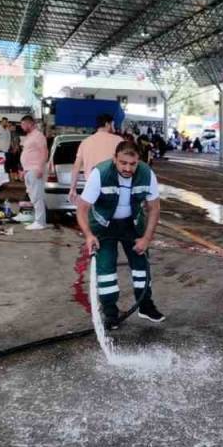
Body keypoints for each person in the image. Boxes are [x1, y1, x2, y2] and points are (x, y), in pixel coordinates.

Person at [76, 140, 166, 325]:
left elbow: (154, 208)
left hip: (132, 225)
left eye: (132, 164)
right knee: (106, 268)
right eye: (123, 163)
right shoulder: (100, 173)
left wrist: (146, 238)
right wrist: (88, 235)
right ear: (114, 159)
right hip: (104, 227)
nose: (127, 168)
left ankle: (145, 306)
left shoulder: (147, 174)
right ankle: (110, 312)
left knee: (141, 266)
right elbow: (82, 208)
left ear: (139, 161)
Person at [71, 114, 123, 202]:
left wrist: (72, 188)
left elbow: (76, 167)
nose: (114, 127)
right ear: (107, 124)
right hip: (113, 189)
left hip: (91, 188)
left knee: (92, 214)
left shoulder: (85, 142)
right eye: (113, 124)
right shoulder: (119, 141)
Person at [19, 115, 49, 231]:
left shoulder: (38, 136)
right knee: (33, 197)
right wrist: (24, 170)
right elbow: (28, 154)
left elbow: (44, 152)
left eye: (22, 124)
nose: (21, 126)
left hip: (35, 169)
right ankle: (38, 220)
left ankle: (40, 222)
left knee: (37, 197)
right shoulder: (29, 137)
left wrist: (40, 168)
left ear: (29, 124)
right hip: (29, 170)